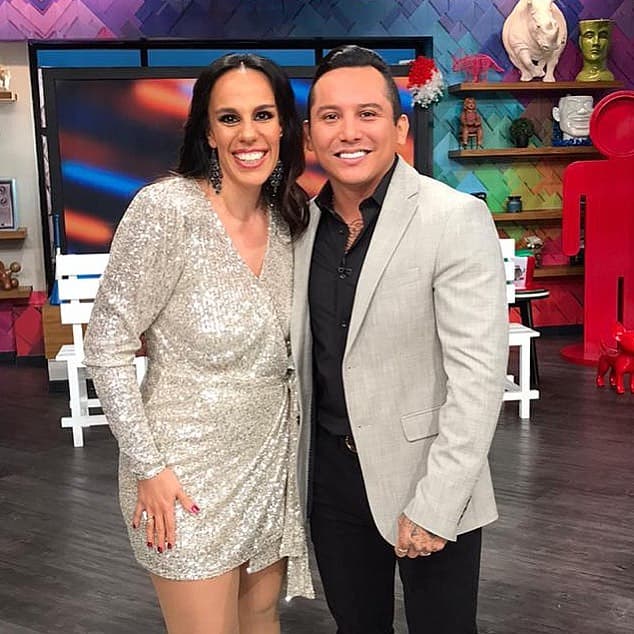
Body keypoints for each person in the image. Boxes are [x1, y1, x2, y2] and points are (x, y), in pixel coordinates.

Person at [84, 53, 313, 634]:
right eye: (229, 118)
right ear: (208, 132)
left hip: (269, 463)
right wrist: (149, 466)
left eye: (263, 115)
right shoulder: (167, 211)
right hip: (182, 473)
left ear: (284, 126)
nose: (248, 134)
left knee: (260, 620)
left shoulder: (290, 218)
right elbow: (107, 344)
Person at [290, 45, 509, 634]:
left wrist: (439, 502)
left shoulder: (453, 218)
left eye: (368, 113)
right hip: (331, 483)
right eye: (330, 116)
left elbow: (478, 378)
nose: (349, 132)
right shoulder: (298, 227)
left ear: (400, 128)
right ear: (309, 136)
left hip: (428, 475)